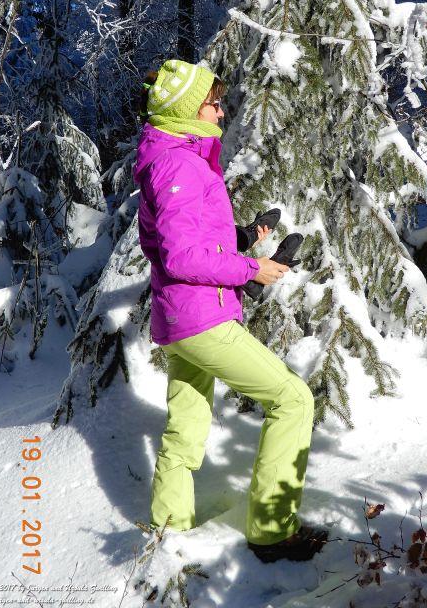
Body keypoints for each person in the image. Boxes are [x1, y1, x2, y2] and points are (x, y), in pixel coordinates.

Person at [132, 59, 328, 562]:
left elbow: (182, 239)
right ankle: (272, 531)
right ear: (188, 109)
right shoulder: (176, 163)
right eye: (214, 103)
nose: (222, 111)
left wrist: (242, 240)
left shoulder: (172, 158)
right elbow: (178, 255)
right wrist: (250, 270)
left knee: (186, 426)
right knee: (293, 400)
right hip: (201, 319)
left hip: (181, 318)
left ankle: (167, 535)